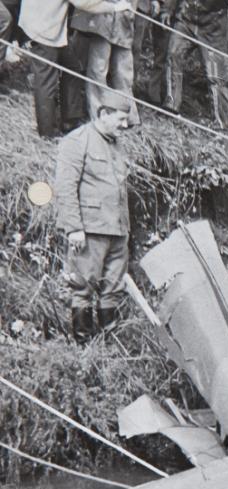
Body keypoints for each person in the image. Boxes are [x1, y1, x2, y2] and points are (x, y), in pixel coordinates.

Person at [53, 90, 132, 342]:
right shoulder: (77, 141)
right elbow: (65, 187)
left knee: (113, 288)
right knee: (82, 287)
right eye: (120, 119)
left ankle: (110, 343)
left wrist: (125, 228)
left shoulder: (117, 145)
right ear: (104, 114)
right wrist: (74, 227)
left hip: (118, 229)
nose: (125, 125)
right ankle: (84, 345)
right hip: (90, 230)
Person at [18, 0, 130, 137]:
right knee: (46, 81)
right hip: (44, 30)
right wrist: (115, 7)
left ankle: (70, 119)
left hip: (42, 22)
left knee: (72, 67)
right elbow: (84, 3)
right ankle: (47, 133)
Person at [162, 0, 228, 128]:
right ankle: (171, 105)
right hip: (187, 18)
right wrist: (167, 9)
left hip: (213, 26)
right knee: (174, 54)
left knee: (216, 75)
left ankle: (221, 123)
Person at [71, 2, 141, 125]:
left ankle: (127, 116)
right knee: (99, 70)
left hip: (123, 21)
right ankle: (99, 114)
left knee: (122, 73)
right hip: (102, 20)